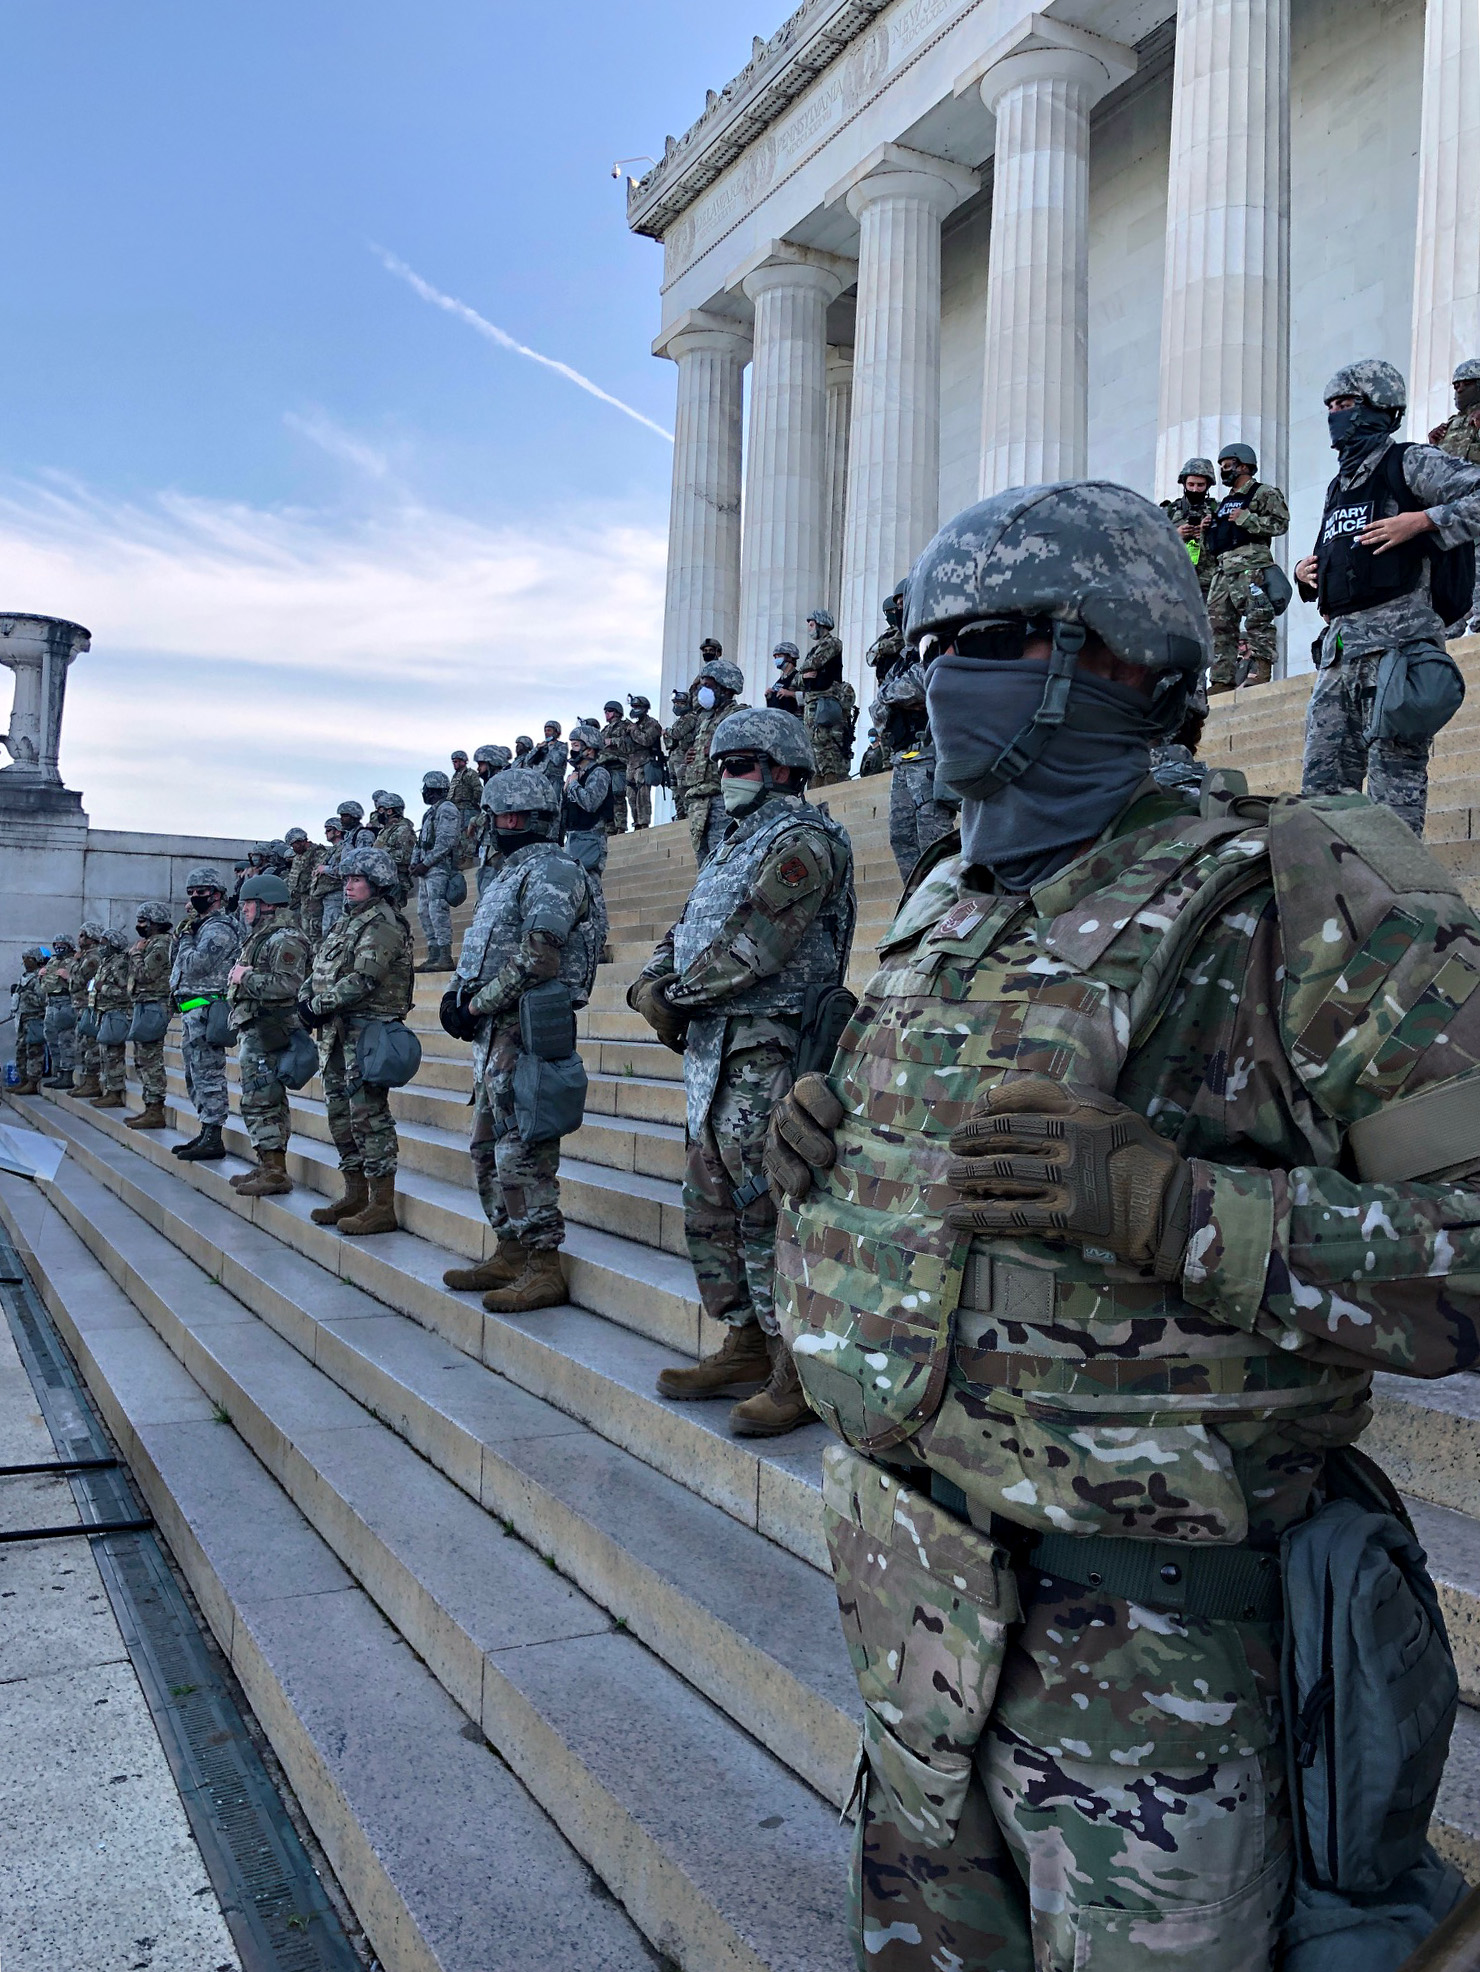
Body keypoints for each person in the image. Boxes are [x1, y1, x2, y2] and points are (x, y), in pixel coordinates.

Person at [764, 476, 1480, 1972]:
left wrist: (1177, 1206)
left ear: (1126, 661)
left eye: (988, 638)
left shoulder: (1304, 892)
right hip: (918, 1631)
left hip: (1158, 1690)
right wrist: (829, 1159)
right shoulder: (947, 901)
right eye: (922, 644)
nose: (931, 678)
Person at [630, 708, 855, 1437]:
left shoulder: (803, 842)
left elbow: (758, 944)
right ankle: (744, 1342)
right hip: (714, 1050)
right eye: (722, 765)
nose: (728, 778)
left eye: (744, 763)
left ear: (787, 768)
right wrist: (649, 984)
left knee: (769, 1204)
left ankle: (795, 1368)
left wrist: (675, 996)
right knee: (712, 1200)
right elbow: (687, 929)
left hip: (769, 1046)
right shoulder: (731, 844)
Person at [1295, 357, 1480, 835]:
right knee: (1321, 801)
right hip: (1338, 658)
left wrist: (1424, 520)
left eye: (1347, 404)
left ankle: (1401, 906)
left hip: (1399, 656)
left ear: (1380, 408)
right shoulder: (1340, 486)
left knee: (1393, 803)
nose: (1337, 415)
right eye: (1331, 406)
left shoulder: (1411, 462)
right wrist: (1305, 570)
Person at [442, 768, 600, 1311]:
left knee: (523, 1149)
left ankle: (542, 1264)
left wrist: (476, 1003)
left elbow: (540, 955)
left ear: (540, 820)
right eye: (500, 816)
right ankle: (510, 1249)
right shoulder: (506, 876)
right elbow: (490, 953)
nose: (506, 826)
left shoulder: (554, 870)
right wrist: (458, 995)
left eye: (516, 817)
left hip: (528, 1030)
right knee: (487, 1149)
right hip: (496, 1034)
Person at [299, 846, 414, 1236]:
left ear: (377, 884)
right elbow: (322, 967)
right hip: (338, 1032)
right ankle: (354, 1192)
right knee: (340, 1116)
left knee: (369, 1118)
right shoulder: (348, 921)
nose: (348, 886)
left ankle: (381, 1204)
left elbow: (365, 979)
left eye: (356, 880)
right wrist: (306, 997)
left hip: (367, 1033)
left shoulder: (381, 923)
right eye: (346, 879)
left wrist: (318, 1004)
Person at [225, 872, 312, 1198]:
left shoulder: (284, 940)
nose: (244, 909)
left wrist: (245, 978)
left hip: (270, 1029)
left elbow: (288, 985)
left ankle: (276, 1171)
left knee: (263, 1100)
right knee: (258, 1099)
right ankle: (267, 1163)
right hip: (256, 1029)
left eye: (249, 903)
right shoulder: (263, 936)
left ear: (267, 905)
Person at [869, 586, 957, 883]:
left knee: (933, 841)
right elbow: (879, 704)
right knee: (902, 836)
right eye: (897, 605)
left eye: (905, 603)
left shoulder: (937, 640)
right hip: (902, 759)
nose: (900, 611)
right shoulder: (905, 655)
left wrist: (893, 696)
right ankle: (915, 904)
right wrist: (894, 696)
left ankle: (942, 903)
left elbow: (923, 683)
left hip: (929, 755)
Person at [168, 866, 242, 1160]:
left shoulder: (219, 928)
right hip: (192, 1009)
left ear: (218, 895)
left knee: (208, 1074)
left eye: (201, 892)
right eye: (191, 893)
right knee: (195, 1073)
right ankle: (205, 1129)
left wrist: (186, 938)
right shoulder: (199, 926)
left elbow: (197, 964)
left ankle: (213, 1135)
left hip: (207, 1008)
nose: (195, 897)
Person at [1203, 442, 1289, 691]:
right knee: (1219, 624)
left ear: (1243, 465)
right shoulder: (1224, 502)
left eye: (1227, 465)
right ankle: (1221, 678)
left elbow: (1280, 524)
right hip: (1223, 569)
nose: (1223, 470)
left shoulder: (1263, 493)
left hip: (1251, 566)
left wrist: (1247, 519)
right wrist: (1209, 529)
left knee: (1257, 617)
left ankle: (1261, 669)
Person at [681, 657, 748, 863]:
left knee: (724, 860)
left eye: (709, 686)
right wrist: (692, 756)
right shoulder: (706, 719)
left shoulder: (738, 715)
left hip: (723, 799)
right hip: (699, 803)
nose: (703, 692)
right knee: (704, 864)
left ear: (726, 687)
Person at [561, 724, 613, 961]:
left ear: (589, 749)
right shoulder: (574, 776)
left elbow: (591, 802)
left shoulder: (599, 774)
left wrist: (573, 786)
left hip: (591, 838)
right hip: (573, 839)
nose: (572, 750)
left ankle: (599, 943)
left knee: (593, 893)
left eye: (576, 745)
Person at [124, 901, 175, 1130]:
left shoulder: (161, 945)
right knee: (142, 1057)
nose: (139, 925)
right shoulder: (151, 943)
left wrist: (135, 954)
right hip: (145, 1003)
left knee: (150, 1058)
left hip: (155, 1004)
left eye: (143, 921)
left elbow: (146, 974)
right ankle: (149, 1106)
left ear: (155, 923)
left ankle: (155, 1109)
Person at [410, 770, 462, 972]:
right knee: (423, 911)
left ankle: (444, 955)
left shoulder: (447, 809)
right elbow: (421, 841)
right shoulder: (431, 812)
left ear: (432, 789)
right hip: (426, 869)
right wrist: (416, 862)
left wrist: (427, 862)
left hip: (439, 868)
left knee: (437, 910)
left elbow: (446, 841)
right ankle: (433, 954)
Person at [799, 608, 855, 784]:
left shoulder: (832, 643)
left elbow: (812, 663)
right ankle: (817, 780)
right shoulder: (816, 647)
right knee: (813, 743)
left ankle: (828, 780)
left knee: (825, 742)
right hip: (813, 701)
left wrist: (805, 670)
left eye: (811, 624)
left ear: (821, 624)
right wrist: (805, 673)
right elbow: (802, 675)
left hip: (825, 700)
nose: (809, 628)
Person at [1159, 456, 1218, 598]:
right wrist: (1175, 535)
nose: (1195, 489)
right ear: (1184, 484)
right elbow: (1151, 543)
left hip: (1209, 585)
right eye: (1191, 484)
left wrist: (1207, 533)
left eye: (1200, 485)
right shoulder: (1169, 511)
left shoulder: (1217, 510)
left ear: (1207, 486)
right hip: (1175, 583)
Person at [89, 929, 133, 1110]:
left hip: (116, 1013)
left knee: (113, 1054)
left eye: (104, 942)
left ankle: (115, 1092)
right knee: (105, 1054)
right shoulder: (106, 963)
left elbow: (125, 993)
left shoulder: (120, 963)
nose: (101, 946)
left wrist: (103, 988)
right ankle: (108, 1088)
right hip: (104, 1012)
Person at [471, 745, 514, 896]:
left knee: (492, 886)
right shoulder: (493, 782)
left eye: (481, 764)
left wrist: (474, 821)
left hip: (499, 843)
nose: (478, 769)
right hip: (489, 842)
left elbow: (495, 812)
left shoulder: (502, 781)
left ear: (491, 762)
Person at [68, 922, 105, 1097]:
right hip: (80, 1006)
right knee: (83, 1044)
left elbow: (76, 982)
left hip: (87, 1006)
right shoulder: (85, 956)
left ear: (91, 938)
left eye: (83, 935)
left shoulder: (92, 957)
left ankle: (92, 1081)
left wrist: (74, 963)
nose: (79, 939)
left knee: (90, 1045)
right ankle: (86, 1081)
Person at [39, 934, 77, 1091]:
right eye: (56, 944)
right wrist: (41, 976)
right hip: (51, 1002)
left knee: (65, 1039)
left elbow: (83, 981)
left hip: (65, 1002)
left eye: (63, 944)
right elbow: (45, 983)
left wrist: (70, 977)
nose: (59, 947)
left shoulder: (75, 961)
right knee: (51, 1038)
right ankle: (58, 1072)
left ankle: (67, 1074)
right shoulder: (53, 961)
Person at [622, 695, 665, 830]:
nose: (635, 710)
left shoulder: (652, 724)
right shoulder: (632, 725)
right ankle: (636, 822)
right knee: (631, 795)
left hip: (645, 762)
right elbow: (625, 748)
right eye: (633, 707)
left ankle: (644, 823)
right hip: (631, 764)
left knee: (643, 795)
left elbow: (646, 740)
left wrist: (634, 730)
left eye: (638, 707)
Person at [1428, 357, 1480, 466]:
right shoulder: (1449, 426)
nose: (1459, 390)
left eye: (1467, 383)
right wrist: (1433, 447)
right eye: (1456, 386)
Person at [11, 948, 47, 1094]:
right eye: (24, 958)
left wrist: (26, 996)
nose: (25, 961)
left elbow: (43, 1000)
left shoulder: (39, 977)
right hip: (22, 1017)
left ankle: (32, 1082)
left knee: (34, 1050)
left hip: (34, 1018)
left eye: (29, 958)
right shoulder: (24, 977)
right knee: (21, 1050)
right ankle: (23, 1079)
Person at [372, 791, 417, 907]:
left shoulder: (404, 829)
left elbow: (405, 856)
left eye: (381, 810)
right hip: (382, 880)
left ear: (389, 811)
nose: (378, 814)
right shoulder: (386, 831)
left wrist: (380, 854)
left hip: (396, 881)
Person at [284, 827, 327, 937]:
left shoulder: (317, 853)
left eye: (294, 845)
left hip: (312, 900)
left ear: (301, 841)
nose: (293, 848)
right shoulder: (299, 856)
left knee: (312, 931)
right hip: (299, 900)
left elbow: (317, 877)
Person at [596, 702, 631, 835]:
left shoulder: (624, 726)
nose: (607, 714)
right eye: (605, 711)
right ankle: (609, 828)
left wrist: (613, 741)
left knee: (618, 796)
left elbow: (629, 742)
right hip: (605, 767)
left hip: (618, 765)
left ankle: (620, 826)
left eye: (609, 711)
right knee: (606, 799)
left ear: (617, 712)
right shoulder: (604, 730)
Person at [664, 690, 699, 818]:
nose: (677, 706)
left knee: (683, 787)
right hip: (675, 759)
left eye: (681, 703)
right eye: (676, 703)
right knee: (675, 790)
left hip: (684, 759)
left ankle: (688, 814)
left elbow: (677, 733)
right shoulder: (680, 720)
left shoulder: (691, 717)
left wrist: (668, 731)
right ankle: (680, 814)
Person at [448, 751, 483, 831]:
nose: (454, 764)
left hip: (467, 810)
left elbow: (478, 789)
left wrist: (474, 803)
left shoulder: (470, 774)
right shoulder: (455, 776)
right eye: (453, 762)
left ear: (463, 761)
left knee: (467, 836)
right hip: (456, 810)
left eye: (456, 761)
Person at [765, 643, 802, 718]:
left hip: (793, 721)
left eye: (779, 656)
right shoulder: (781, 679)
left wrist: (791, 694)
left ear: (790, 657)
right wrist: (769, 696)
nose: (776, 659)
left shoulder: (799, 677)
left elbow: (808, 696)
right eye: (775, 657)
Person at [527, 722, 566, 790]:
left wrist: (551, 746)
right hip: (537, 782)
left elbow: (558, 761)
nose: (546, 733)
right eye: (545, 730)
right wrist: (537, 749)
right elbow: (528, 761)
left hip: (553, 782)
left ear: (556, 732)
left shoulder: (561, 746)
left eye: (549, 730)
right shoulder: (541, 746)